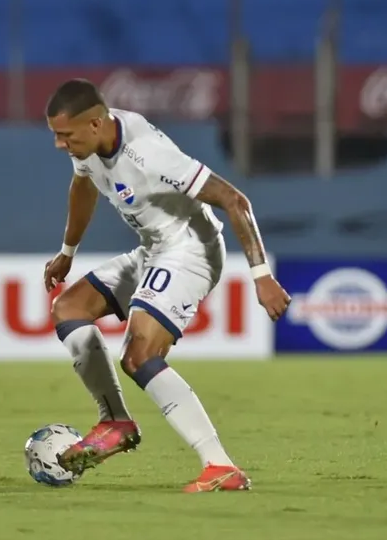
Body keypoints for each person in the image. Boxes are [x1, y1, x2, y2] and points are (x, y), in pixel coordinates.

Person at [43, 79, 291, 493]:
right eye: (55, 135)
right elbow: (83, 186)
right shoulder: (88, 147)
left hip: (190, 250)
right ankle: (115, 422)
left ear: (95, 124)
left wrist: (261, 277)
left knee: (139, 355)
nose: (59, 145)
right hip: (154, 248)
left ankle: (220, 466)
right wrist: (68, 250)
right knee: (68, 308)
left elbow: (235, 200)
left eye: (65, 136)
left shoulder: (149, 155)